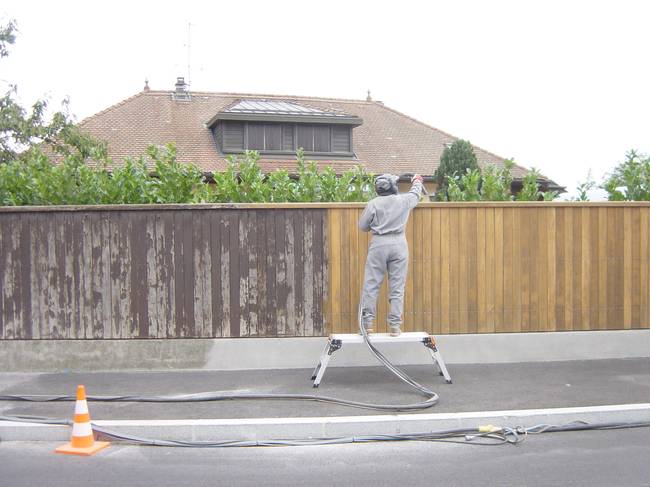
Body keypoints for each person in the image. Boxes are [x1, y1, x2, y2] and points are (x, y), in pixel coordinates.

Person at [358, 173, 424, 336]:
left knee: (371, 285)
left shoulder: (373, 204)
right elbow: (416, 194)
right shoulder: (403, 200)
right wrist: (416, 181)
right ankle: (395, 326)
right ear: (393, 187)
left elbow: (362, 226)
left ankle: (367, 326)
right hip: (399, 244)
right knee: (397, 287)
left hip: (378, 244)